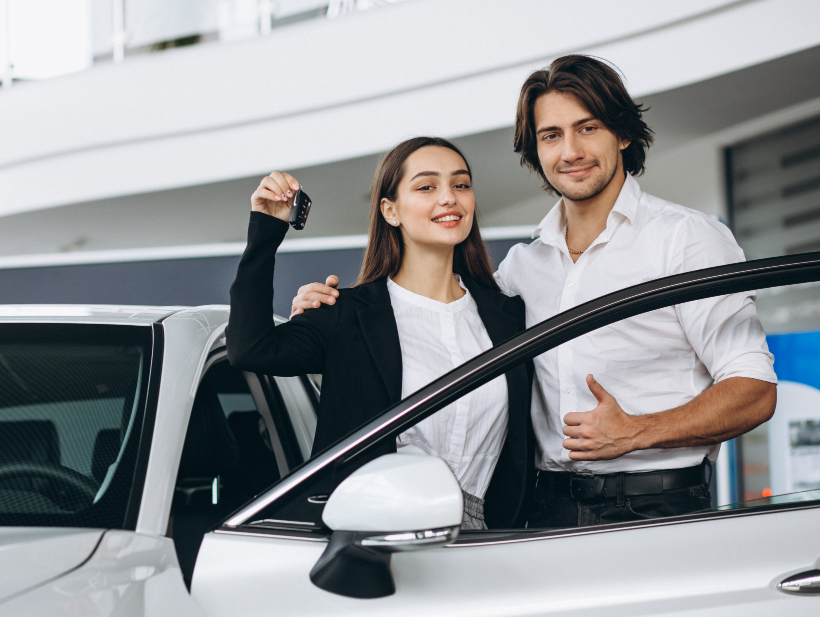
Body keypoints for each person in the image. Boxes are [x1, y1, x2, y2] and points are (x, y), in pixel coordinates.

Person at [290, 55, 777, 528]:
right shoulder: (521, 268)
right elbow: (433, 342)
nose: (570, 152)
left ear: (624, 134)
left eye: (588, 127)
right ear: (535, 152)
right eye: (551, 135)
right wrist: (329, 313)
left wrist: (636, 432)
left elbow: (753, 391)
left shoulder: (685, 239)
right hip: (541, 514)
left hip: (657, 506)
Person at [226, 137, 536, 530]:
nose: (449, 198)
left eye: (460, 185)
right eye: (426, 186)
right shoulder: (346, 315)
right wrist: (266, 229)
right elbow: (250, 350)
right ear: (390, 211)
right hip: (374, 533)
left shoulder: (509, 316)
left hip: (486, 535)